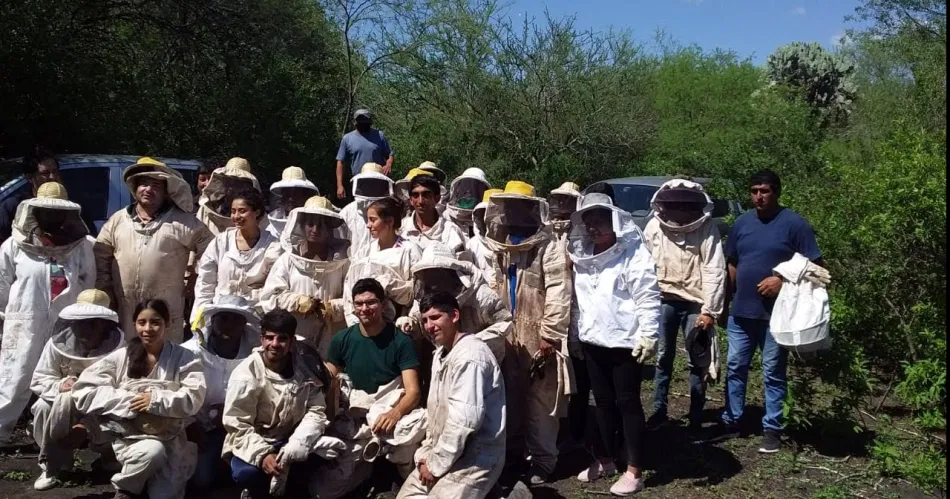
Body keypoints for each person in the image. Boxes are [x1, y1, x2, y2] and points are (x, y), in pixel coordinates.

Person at [717, 169, 823, 453]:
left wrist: (782, 280)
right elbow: (732, 263)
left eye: (764, 191)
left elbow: (817, 268)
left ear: (776, 192)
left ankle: (772, 428)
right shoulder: (741, 223)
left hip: (776, 316)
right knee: (735, 366)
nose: (758, 197)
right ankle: (733, 421)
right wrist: (724, 303)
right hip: (741, 312)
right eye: (754, 191)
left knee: (773, 372)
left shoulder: (794, 224)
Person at [568, 192, 661, 495]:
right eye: (588, 221)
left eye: (599, 219)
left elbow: (647, 296)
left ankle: (634, 470)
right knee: (602, 402)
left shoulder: (633, 254)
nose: (593, 226)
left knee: (628, 403)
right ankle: (606, 459)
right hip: (593, 340)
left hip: (624, 342)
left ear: (615, 220)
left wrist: (649, 334)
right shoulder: (582, 256)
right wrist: (577, 335)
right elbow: (580, 301)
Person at [482, 180, 572, 485]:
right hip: (507, 333)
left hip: (538, 334)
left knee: (541, 400)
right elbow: (492, 287)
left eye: (520, 206)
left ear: (532, 209)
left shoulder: (549, 246)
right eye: (509, 207)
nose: (513, 212)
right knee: (508, 393)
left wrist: (551, 333)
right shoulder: (500, 245)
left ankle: (544, 460)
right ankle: (513, 453)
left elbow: (560, 291)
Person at [71, 299, 206, 499]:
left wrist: (156, 400)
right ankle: (126, 490)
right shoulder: (121, 357)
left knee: (164, 496)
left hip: (171, 438)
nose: (148, 329)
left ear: (167, 324)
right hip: (130, 437)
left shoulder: (185, 358)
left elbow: (193, 397)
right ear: (134, 324)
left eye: (156, 322)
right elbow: (84, 390)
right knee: (152, 452)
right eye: (142, 322)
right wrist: (130, 401)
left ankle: (145, 478)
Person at [0, 181, 96, 445]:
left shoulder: (83, 246)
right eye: (45, 211)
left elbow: (89, 284)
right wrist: (8, 317)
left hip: (67, 325)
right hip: (24, 322)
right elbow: (2, 286)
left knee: (60, 380)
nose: (51, 216)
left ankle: (50, 435)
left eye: (57, 211)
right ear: (35, 211)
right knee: (15, 378)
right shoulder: (14, 245)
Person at [316, 278, 424, 497]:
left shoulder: (400, 341)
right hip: (355, 417)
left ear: (383, 305)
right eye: (359, 303)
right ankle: (365, 475)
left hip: (390, 414)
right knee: (324, 489)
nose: (365, 308)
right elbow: (328, 379)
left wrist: (394, 413)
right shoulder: (342, 339)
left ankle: (403, 483)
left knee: (406, 444)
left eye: (371, 302)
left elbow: (413, 391)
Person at [396, 291, 506, 499]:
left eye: (436, 317)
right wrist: (427, 455)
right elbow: (436, 413)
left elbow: (464, 422)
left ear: (454, 316)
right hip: (444, 451)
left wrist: (435, 465)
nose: (429, 326)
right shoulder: (441, 353)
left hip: (476, 458)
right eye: (425, 320)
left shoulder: (470, 356)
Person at [95, 157, 213, 343]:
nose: (148, 189)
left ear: (166, 191)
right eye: (144, 184)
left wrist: (195, 277)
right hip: (126, 309)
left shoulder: (182, 221)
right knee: (129, 353)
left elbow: (211, 250)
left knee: (167, 355)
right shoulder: (118, 220)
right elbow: (101, 253)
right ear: (135, 188)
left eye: (156, 185)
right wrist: (105, 286)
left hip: (166, 309)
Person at [222, 309, 336, 499]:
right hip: (257, 439)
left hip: (292, 438)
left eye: (282, 339)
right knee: (248, 474)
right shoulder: (245, 375)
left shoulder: (306, 369)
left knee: (326, 454)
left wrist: (298, 442)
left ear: (292, 342)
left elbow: (316, 410)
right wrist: (263, 455)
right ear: (261, 340)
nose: (275, 344)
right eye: (269, 338)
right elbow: (237, 425)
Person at [642, 179, 725, 434]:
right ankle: (659, 411)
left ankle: (696, 416)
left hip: (696, 302)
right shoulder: (654, 226)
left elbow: (714, 269)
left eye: (685, 204)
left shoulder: (707, 227)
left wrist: (710, 310)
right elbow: (644, 265)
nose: (680, 209)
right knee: (663, 357)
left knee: (697, 358)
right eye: (675, 204)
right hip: (664, 298)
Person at [30, 289, 124, 490]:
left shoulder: (121, 348)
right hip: (62, 404)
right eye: (80, 322)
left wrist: (86, 424)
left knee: (119, 413)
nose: (85, 329)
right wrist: (59, 385)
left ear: (105, 324)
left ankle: (110, 456)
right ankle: (54, 463)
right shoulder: (56, 345)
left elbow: (123, 389)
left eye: (93, 323)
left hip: (99, 406)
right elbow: (40, 378)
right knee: (42, 407)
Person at [181, 295, 261, 490]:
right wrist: (189, 424)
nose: (229, 325)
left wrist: (233, 412)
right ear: (213, 320)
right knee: (201, 479)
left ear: (244, 324)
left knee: (248, 474)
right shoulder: (189, 352)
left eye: (236, 320)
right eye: (223, 318)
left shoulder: (257, 356)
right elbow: (174, 391)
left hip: (241, 427)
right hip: (198, 427)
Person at [260, 196, 350, 355]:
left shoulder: (343, 262)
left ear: (330, 228)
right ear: (301, 226)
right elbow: (269, 297)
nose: (315, 229)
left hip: (331, 337)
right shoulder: (287, 260)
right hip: (294, 337)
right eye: (311, 223)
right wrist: (296, 302)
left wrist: (333, 307)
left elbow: (353, 299)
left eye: (322, 224)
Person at [397, 244, 512, 365]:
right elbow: (419, 321)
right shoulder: (425, 296)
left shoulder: (481, 296)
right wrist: (409, 323)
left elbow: (504, 323)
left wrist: (470, 343)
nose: (432, 278)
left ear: (450, 272)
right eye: (428, 273)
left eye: (437, 272)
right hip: (447, 361)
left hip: (484, 361)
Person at [192, 188, 281, 322]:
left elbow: (274, 288)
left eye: (242, 211)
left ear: (257, 212)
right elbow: (205, 281)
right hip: (220, 315)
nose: (236, 216)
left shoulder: (273, 246)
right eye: (233, 211)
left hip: (256, 319)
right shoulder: (221, 242)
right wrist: (200, 317)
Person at [343, 196, 422, 326]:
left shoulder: (410, 250)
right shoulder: (364, 252)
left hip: (397, 324)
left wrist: (409, 321)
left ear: (389, 221)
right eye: (368, 220)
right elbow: (348, 288)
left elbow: (418, 291)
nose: (368, 225)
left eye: (373, 220)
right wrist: (355, 323)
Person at [0, 147, 61, 243]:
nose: (52, 177)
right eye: (45, 173)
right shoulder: (13, 206)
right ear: (29, 177)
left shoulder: (70, 207)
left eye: (55, 171)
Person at [401, 173, 467, 256]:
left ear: (437, 198)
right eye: (415, 195)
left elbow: (462, 262)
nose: (420, 201)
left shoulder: (450, 230)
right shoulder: (401, 228)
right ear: (411, 200)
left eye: (426, 195)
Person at [196, 157, 263, 236]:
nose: (232, 185)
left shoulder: (257, 215)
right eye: (228, 180)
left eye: (238, 182)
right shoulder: (206, 208)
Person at [336, 109, 394, 200]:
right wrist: (339, 185)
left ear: (370, 121)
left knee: (379, 206)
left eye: (365, 120)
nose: (363, 122)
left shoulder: (379, 135)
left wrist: (389, 163)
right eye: (360, 120)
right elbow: (340, 162)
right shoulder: (347, 139)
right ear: (355, 122)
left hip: (379, 181)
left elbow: (389, 154)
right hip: (359, 182)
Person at [340, 162, 394, 259]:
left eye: (375, 184)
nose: (372, 187)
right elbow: (339, 244)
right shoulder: (347, 212)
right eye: (368, 183)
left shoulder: (390, 212)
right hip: (354, 265)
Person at [266, 166, 320, 239]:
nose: (291, 199)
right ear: (282, 198)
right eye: (287, 194)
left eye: (296, 194)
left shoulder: (316, 226)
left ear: (306, 197)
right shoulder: (271, 229)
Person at [466, 188, 503, 288]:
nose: (486, 219)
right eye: (483, 214)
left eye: (490, 215)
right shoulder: (472, 244)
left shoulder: (509, 244)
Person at [444, 168, 490, 237]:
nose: (469, 191)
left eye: (475, 187)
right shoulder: (447, 215)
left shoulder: (486, 218)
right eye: (465, 186)